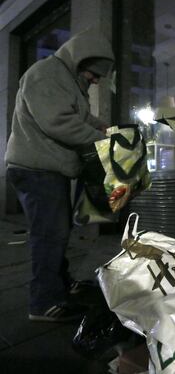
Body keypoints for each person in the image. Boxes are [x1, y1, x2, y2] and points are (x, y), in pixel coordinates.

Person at [5, 27, 115, 322]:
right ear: (80, 60)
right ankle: (44, 302)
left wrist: (103, 127)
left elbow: (77, 116)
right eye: (93, 74)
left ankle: (60, 285)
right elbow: (59, 122)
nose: (94, 81)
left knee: (56, 232)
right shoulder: (47, 74)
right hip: (36, 169)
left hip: (46, 168)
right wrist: (102, 139)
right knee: (49, 235)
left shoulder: (67, 79)